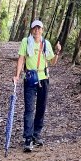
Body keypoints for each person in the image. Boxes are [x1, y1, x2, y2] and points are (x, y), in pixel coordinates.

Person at [13, 19, 62, 152]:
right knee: (29, 109)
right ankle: (28, 138)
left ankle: (36, 134)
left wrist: (57, 52)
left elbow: (52, 61)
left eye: (39, 28)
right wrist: (17, 75)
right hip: (29, 78)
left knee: (41, 108)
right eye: (34, 28)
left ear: (42, 30)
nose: (37, 30)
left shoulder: (46, 44)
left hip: (44, 78)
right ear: (31, 30)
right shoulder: (25, 41)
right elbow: (21, 59)